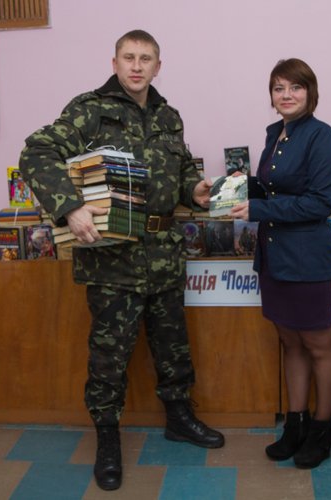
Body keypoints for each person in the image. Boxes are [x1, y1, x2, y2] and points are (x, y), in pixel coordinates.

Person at [18, 29, 224, 492]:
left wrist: (193, 189)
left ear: (157, 67)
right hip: (113, 259)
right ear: (114, 63)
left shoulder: (169, 116)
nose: (136, 66)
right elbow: (37, 151)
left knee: (173, 346)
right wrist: (70, 206)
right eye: (128, 57)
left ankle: (179, 417)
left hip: (164, 254)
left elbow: (181, 171)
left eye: (145, 58)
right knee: (110, 356)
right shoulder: (90, 110)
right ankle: (107, 438)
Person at [229, 58, 331, 469]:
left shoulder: (322, 136)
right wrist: (233, 187)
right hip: (274, 256)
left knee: (318, 346)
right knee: (291, 343)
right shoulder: (274, 133)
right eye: (279, 88)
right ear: (271, 96)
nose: (287, 95)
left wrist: (258, 208)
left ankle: (322, 428)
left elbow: (320, 203)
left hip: (308, 258)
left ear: (311, 92)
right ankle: (295, 426)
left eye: (295, 87)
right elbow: (271, 188)